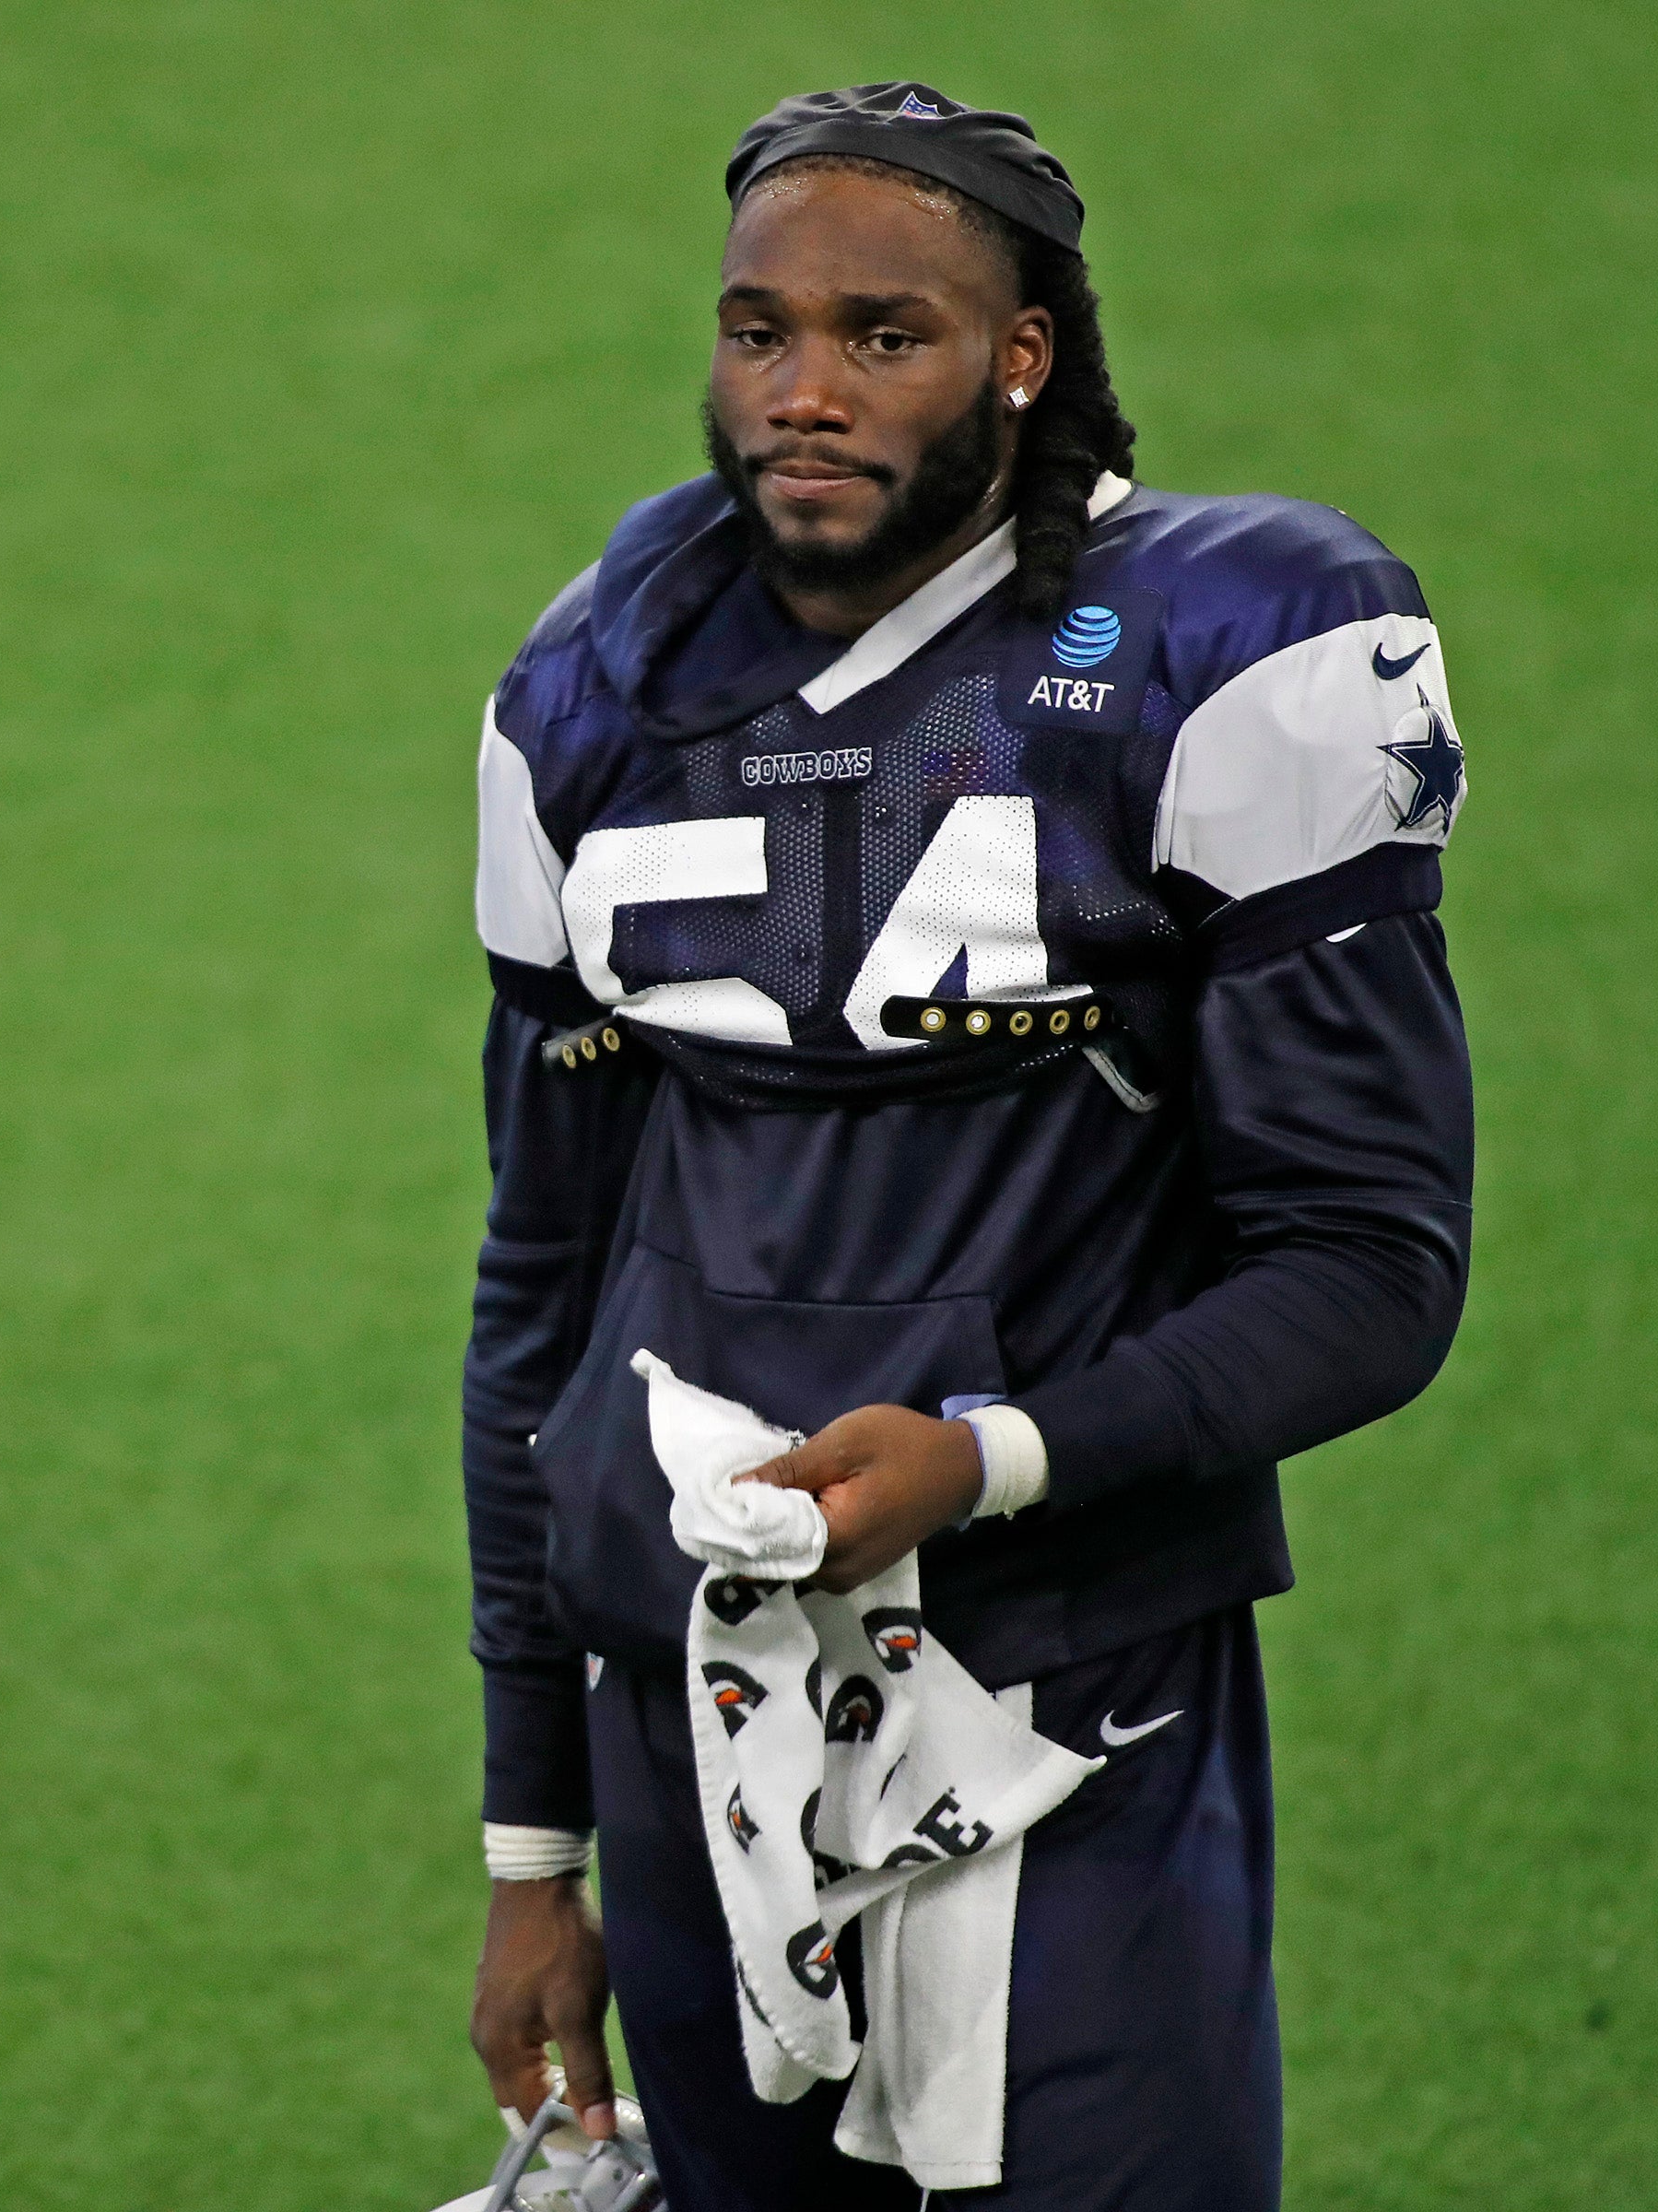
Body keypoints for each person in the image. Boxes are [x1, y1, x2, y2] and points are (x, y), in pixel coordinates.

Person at [457, 86, 1472, 2208]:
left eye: (881, 335)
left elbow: (1371, 1269)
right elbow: (539, 1307)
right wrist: (530, 1846)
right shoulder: (594, 680)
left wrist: (988, 1457)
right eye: (758, 333)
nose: (802, 393)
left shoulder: (1226, 644)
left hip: (1063, 1694)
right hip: (687, 1709)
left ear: (1019, 356)